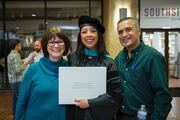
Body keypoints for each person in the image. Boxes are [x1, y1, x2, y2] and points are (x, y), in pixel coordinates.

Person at [115, 17, 172, 120]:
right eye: (120, 32)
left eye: (128, 29)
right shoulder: (119, 58)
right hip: (121, 116)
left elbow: (163, 96)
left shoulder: (152, 56)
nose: (123, 35)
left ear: (138, 31)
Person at [67, 15, 122, 120]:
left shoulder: (108, 62)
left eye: (93, 31)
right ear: (80, 36)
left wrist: (89, 102)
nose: (88, 35)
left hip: (98, 116)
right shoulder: (72, 59)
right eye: (84, 32)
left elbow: (115, 94)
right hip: (75, 114)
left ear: (99, 35)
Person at [15, 28, 71, 120]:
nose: (56, 45)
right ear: (45, 45)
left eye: (60, 42)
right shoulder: (33, 69)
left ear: (65, 45)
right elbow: (22, 101)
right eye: (51, 42)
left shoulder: (69, 69)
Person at [7, 39, 26, 118]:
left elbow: (15, 66)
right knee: (19, 99)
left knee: (15, 98)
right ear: (16, 46)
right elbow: (17, 70)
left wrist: (21, 61)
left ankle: (15, 114)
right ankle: (19, 115)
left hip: (13, 81)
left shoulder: (10, 54)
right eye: (19, 44)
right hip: (17, 81)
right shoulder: (15, 55)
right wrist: (25, 63)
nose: (20, 46)